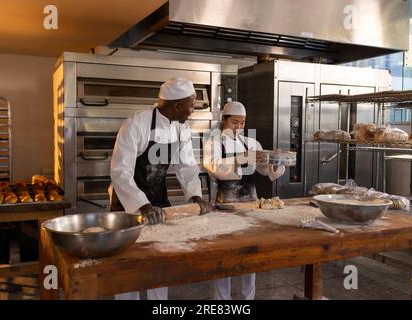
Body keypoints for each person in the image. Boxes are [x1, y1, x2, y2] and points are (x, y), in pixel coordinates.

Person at [110, 77, 212, 300]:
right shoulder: (137, 123)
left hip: (157, 196)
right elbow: (120, 171)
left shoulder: (181, 128)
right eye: (191, 105)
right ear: (176, 106)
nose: (192, 111)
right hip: (129, 201)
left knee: (159, 260)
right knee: (129, 264)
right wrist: (142, 205)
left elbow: (187, 167)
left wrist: (195, 196)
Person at [203, 101, 285, 300]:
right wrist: (241, 159)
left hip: (250, 202)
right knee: (225, 256)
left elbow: (266, 171)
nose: (239, 127)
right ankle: (223, 301)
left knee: (250, 255)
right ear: (224, 121)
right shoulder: (213, 142)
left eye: (242, 123)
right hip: (225, 204)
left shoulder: (251, 143)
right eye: (234, 122)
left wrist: (275, 161)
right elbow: (213, 167)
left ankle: (248, 299)